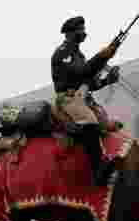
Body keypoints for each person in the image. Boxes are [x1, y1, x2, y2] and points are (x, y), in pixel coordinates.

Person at [51, 16, 123, 185]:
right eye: (79, 30)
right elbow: (81, 72)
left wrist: (107, 80)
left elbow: (89, 82)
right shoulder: (63, 52)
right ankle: (98, 169)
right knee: (89, 121)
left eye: (83, 29)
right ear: (69, 33)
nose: (83, 33)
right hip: (68, 99)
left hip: (82, 97)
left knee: (106, 123)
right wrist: (102, 56)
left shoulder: (78, 54)